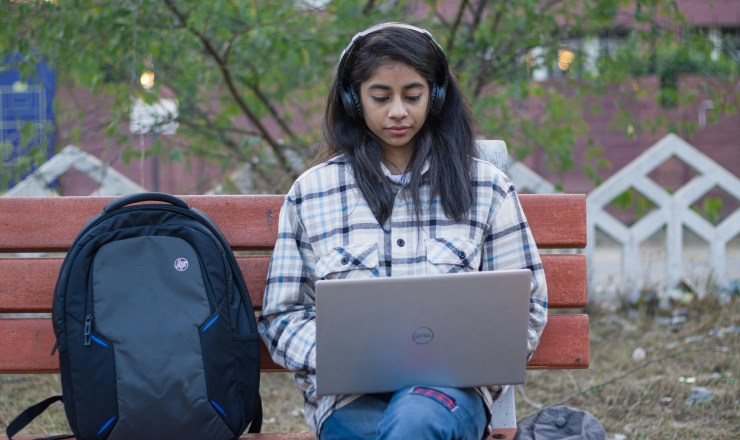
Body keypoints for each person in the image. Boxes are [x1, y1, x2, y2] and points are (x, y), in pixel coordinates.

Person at [258, 22, 547, 440]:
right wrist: (341, 357)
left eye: (413, 96)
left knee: (416, 420)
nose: (398, 111)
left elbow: (528, 305)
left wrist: (477, 359)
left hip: (452, 393)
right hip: (349, 400)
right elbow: (281, 315)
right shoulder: (312, 193)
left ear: (437, 95)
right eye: (381, 96)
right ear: (353, 99)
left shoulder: (486, 188)